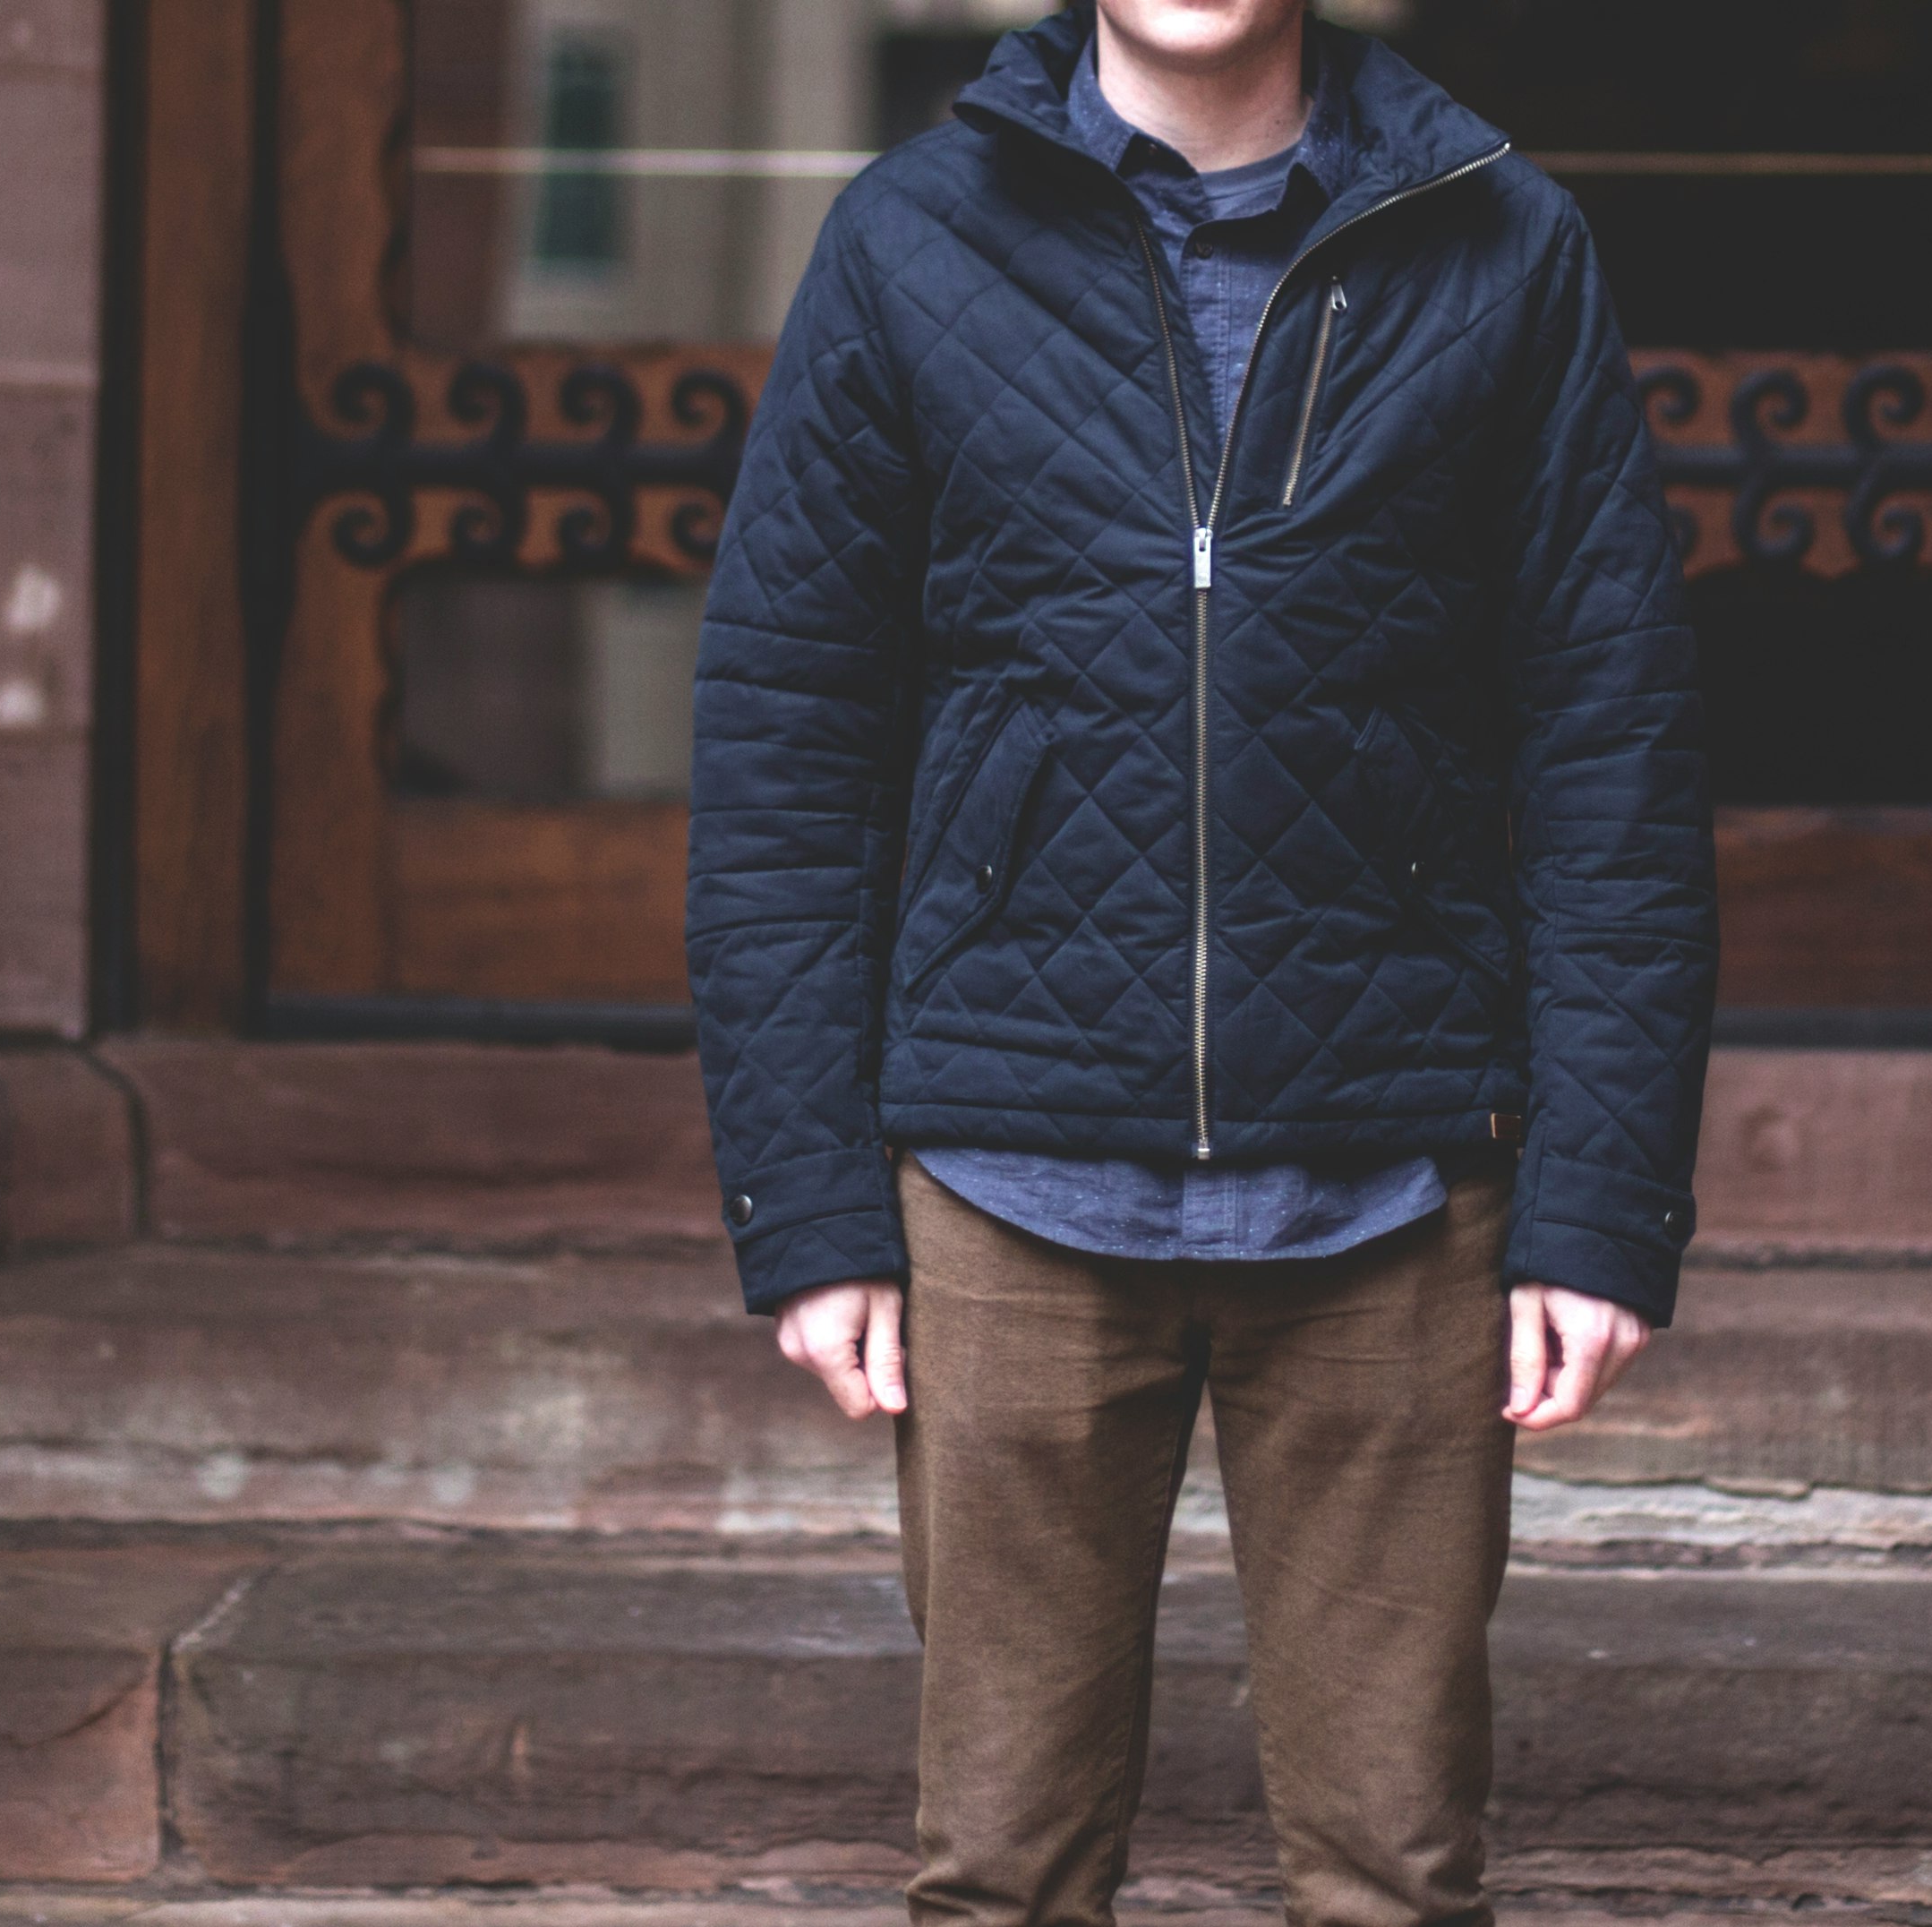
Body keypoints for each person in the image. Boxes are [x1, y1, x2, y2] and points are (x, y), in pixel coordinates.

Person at [685, 3, 1714, 1923]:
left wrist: (1599, 1203)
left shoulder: (1501, 238)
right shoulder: (910, 239)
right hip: (1005, 1178)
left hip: (1395, 1176)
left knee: (1397, 1872)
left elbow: (1611, 745)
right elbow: (784, 741)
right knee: (999, 1868)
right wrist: (806, 1195)